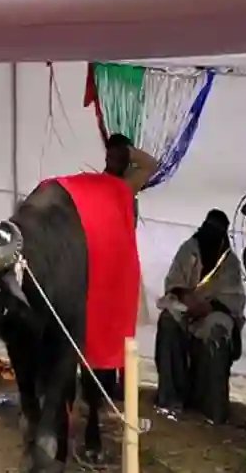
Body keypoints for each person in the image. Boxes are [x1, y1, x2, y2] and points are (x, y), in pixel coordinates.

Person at [154, 209, 246, 424]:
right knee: (168, 320)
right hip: (186, 308)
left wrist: (209, 306)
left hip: (215, 312)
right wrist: (186, 297)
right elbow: (174, 283)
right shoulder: (189, 249)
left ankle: (211, 407)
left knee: (217, 330)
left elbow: (233, 299)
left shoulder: (229, 262)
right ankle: (171, 399)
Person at [93, 133, 159, 401]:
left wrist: (129, 152)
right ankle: (102, 379)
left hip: (123, 263)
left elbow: (151, 165)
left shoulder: (127, 184)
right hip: (102, 262)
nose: (113, 160)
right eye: (110, 155)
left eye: (119, 156)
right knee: (104, 324)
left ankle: (120, 381)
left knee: (124, 326)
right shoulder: (101, 184)